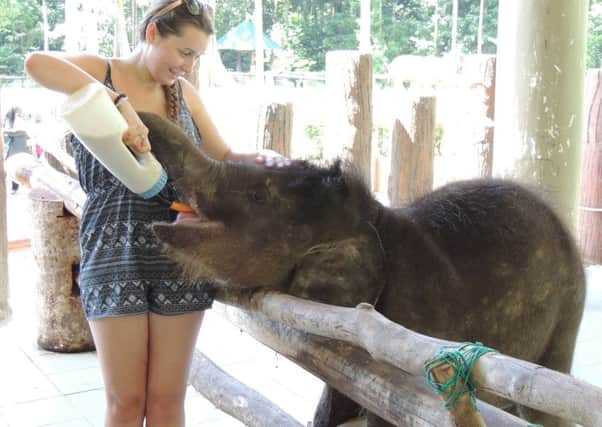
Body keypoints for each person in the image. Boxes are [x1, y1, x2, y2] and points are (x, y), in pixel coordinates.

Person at [25, 1, 287, 426]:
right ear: (152, 34)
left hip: (179, 255)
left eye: (196, 57)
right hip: (113, 252)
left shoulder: (185, 96)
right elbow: (36, 63)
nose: (188, 65)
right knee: (126, 404)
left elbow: (222, 156)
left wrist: (264, 160)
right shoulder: (99, 71)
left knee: (167, 402)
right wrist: (121, 105)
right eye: (184, 52)